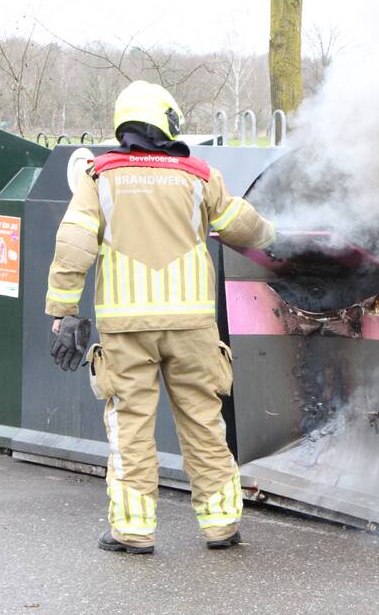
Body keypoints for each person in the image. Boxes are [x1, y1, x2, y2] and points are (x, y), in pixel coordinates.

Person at [45, 80, 275, 554]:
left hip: (126, 330)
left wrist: (63, 312)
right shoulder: (198, 175)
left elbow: (74, 243)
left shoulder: (98, 176)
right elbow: (242, 227)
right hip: (192, 327)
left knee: (131, 425)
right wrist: (279, 236)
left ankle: (133, 531)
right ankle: (221, 524)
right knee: (203, 422)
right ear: (167, 122)